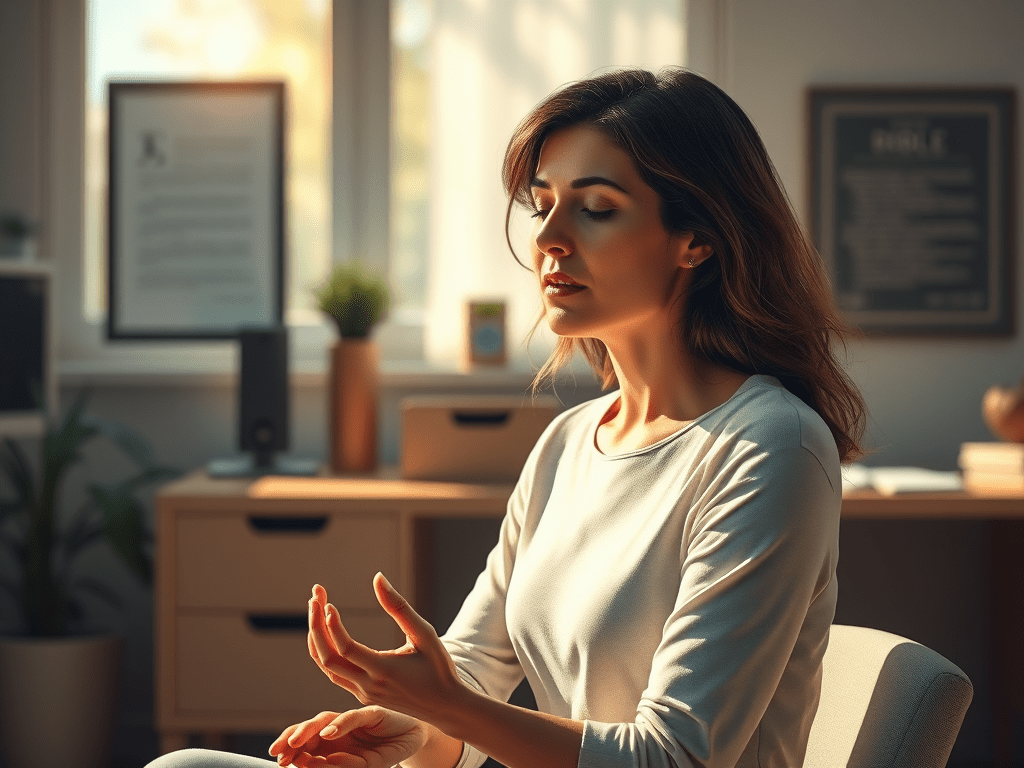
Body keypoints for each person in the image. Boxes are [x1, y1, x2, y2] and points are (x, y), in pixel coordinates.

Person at [150, 66, 865, 768]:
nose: (549, 237)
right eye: (543, 203)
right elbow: (474, 667)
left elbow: (674, 758)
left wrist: (447, 708)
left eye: (596, 207)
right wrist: (414, 732)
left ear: (696, 240)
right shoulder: (566, 445)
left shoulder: (771, 446)